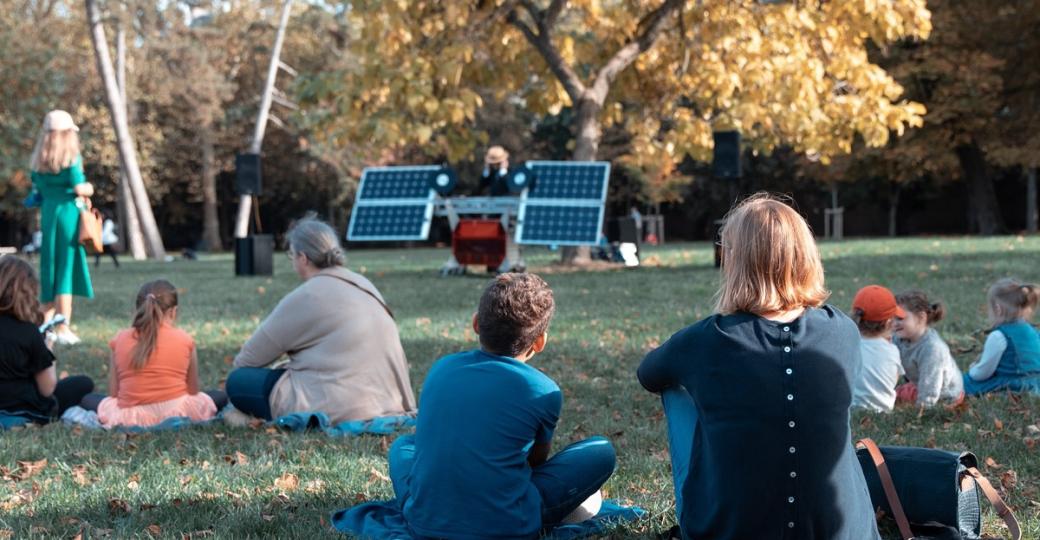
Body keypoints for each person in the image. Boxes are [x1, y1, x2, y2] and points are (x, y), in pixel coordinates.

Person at [637, 193, 880, 540]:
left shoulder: (705, 340)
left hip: (732, 530)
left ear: (735, 262)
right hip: (843, 530)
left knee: (678, 390)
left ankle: (707, 507)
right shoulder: (844, 329)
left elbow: (648, 374)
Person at [389, 273, 616, 538]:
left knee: (402, 447)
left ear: (476, 323)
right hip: (507, 525)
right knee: (601, 452)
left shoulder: (441, 368)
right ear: (540, 341)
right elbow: (534, 463)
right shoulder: (544, 390)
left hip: (424, 521)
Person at [227, 216, 416, 423]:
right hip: (389, 400)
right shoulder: (364, 284)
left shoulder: (308, 295)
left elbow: (247, 360)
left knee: (238, 382)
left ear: (302, 258)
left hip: (343, 405)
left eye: (291, 255)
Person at [79, 280, 226, 428]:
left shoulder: (120, 339)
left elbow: (114, 394)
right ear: (173, 311)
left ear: (138, 309)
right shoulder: (185, 339)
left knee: (88, 399)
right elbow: (193, 391)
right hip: (177, 411)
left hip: (130, 417)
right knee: (220, 396)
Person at [0, 256, 94, 423]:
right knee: (83, 383)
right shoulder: (28, 332)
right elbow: (47, 389)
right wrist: (48, 348)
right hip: (22, 407)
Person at [30, 109, 94, 345]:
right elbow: (79, 187)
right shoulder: (71, 158)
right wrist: (90, 188)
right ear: (68, 134)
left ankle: (43, 323)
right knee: (66, 268)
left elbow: (35, 187)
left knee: (50, 267)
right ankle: (62, 325)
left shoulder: (39, 161)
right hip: (68, 214)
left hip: (48, 214)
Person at [963, 278, 1040, 396]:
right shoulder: (1033, 331)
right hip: (1036, 383)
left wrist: (973, 368)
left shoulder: (998, 336)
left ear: (998, 309)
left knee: (964, 381)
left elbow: (982, 374)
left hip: (1013, 384)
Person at [893, 291, 964, 407]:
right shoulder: (900, 337)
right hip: (920, 383)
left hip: (944, 395)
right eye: (892, 318)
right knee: (892, 394)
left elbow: (931, 385)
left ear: (921, 317)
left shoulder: (932, 349)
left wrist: (922, 410)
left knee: (899, 397)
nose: (895, 323)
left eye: (900, 318)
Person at [849, 285, 905, 413]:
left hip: (849, 408)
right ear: (887, 323)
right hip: (883, 409)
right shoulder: (892, 351)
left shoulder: (847, 344)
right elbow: (893, 380)